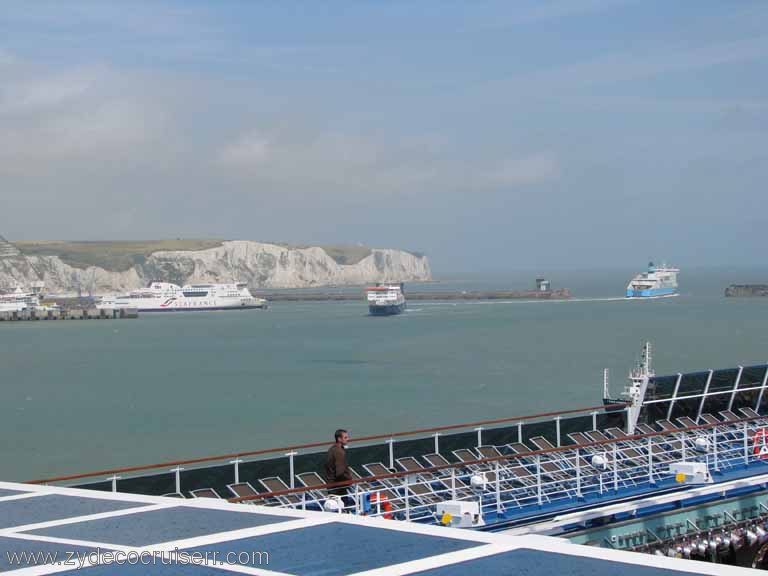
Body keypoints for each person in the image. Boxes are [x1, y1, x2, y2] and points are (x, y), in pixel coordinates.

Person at [324, 429, 352, 504]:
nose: (348, 439)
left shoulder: (331, 449)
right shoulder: (339, 452)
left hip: (331, 485)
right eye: (345, 437)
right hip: (338, 487)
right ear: (339, 439)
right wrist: (349, 480)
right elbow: (340, 473)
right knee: (343, 507)